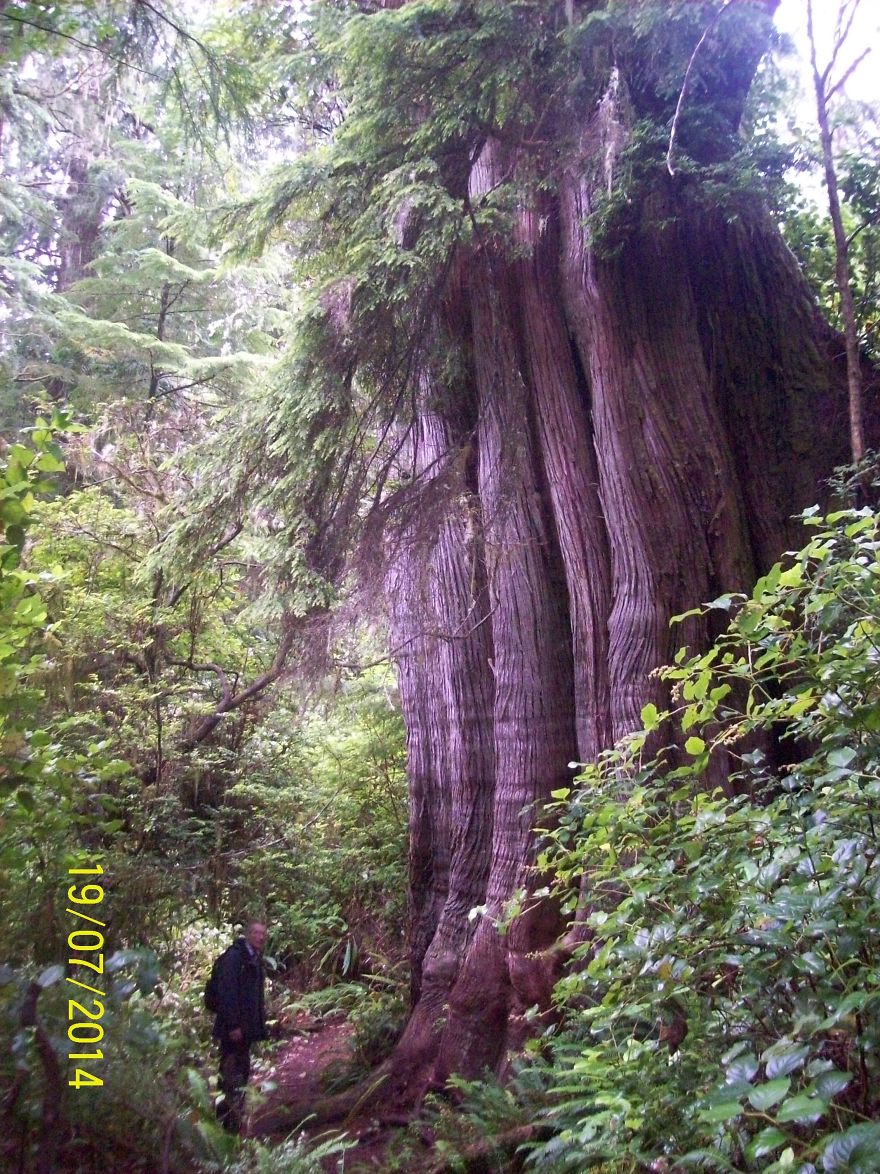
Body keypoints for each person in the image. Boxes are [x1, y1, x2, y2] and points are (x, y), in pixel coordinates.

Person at [212, 920, 268, 1133]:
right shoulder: (235, 958)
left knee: (241, 1071)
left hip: (246, 1029)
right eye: (256, 933)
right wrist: (233, 1025)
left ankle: (234, 1119)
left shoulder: (253, 957)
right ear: (248, 935)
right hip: (233, 1030)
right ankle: (225, 1122)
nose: (260, 937)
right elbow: (227, 992)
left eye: (263, 934)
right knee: (229, 1071)